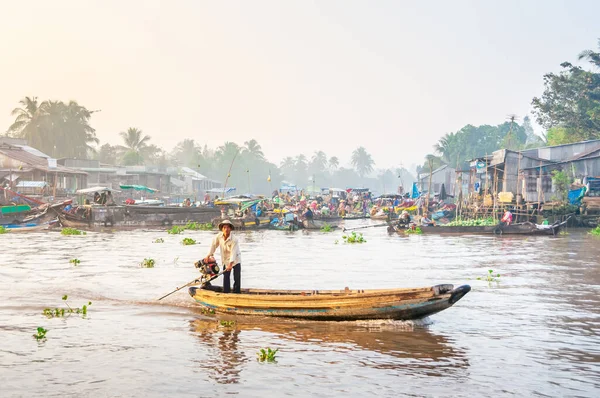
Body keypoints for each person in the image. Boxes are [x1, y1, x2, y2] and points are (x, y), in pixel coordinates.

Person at [204, 220, 242, 294]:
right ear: (222, 229)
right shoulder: (219, 236)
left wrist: (230, 264)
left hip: (236, 259)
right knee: (226, 277)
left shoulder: (234, 239)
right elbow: (214, 245)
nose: (226, 229)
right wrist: (209, 255)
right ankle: (226, 292)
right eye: (224, 227)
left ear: (230, 229)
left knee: (237, 278)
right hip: (225, 260)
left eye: (228, 227)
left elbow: (233, 253)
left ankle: (237, 293)